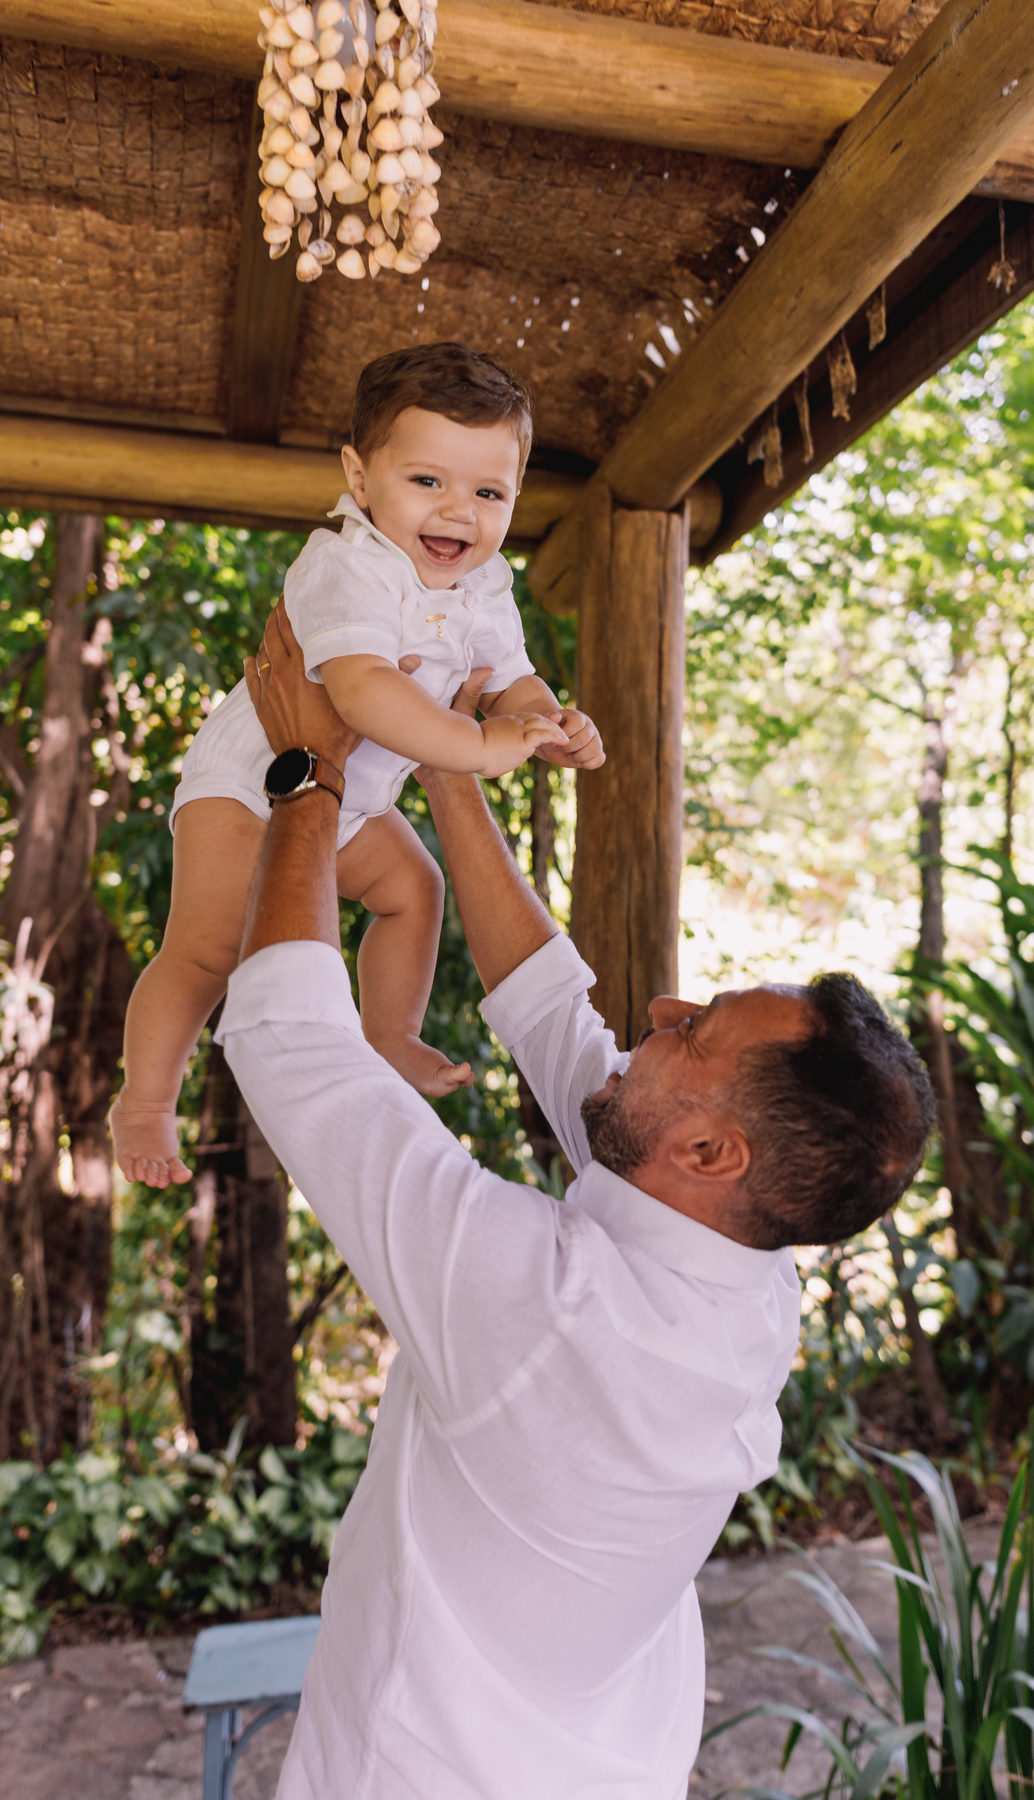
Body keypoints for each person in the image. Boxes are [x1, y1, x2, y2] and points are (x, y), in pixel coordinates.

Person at [215, 602, 936, 1800]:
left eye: (692, 1031)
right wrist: (455, 758)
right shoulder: (749, 1272)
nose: (657, 1013)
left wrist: (309, 771)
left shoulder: (551, 1315)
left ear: (708, 1152)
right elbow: (557, 1019)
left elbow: (294, 1047)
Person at [109, 343, 603, 1187]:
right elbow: (366, 693)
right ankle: (146, 1101)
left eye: (488, 493)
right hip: (249, 782)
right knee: (206, 950)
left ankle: (389, 1035)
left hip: (353, 799)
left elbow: (509, 681)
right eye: (427, 483)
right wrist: (484, 748)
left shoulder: (483, 586)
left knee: (415, 892)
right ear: (359, 474)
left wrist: (544, 722)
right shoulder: (348, 562)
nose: (458, 514)